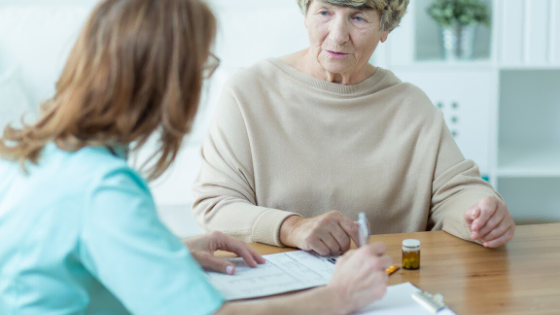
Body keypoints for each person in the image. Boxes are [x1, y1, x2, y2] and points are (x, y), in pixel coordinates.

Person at [0, 0, 392, 314]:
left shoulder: (49, 152)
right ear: (169, 79)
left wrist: (169, 252)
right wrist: (338, 297)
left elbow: (73, 252)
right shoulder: (103, 189)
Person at [192, 0, 515, 256]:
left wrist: (481, 213)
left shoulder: (411, 105)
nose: (336, 34)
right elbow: (216, 204)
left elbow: (455, 191)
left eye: (358, 18)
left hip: (388, 283)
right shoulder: (248, 91)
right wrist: (292, 228)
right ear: (306, 13)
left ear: (385, 27)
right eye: (324, 12)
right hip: (280, 286)